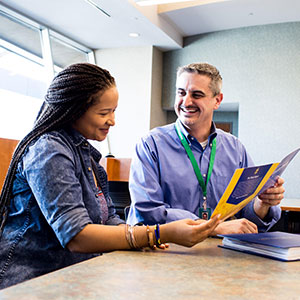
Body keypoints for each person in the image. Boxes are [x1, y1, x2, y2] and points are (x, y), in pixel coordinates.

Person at [0, 63, 221, 289]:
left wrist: (142, 236)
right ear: (75, 110)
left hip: (76, 276)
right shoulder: (48, 150)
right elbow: (77, 236)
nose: (112, 121)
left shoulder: (85, 154)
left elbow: (106, 220)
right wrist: (156, 234)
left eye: (114, 111)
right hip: (32, 282)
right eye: (104, 113)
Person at [127, 62, 285, 234]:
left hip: (224, 254)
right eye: (181, 93)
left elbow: (246, 214)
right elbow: (148, 211)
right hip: (165, 251)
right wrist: (212, 227)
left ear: (217, 101)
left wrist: (262, 203)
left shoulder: (236, 149)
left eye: (197, 95)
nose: (186, 102)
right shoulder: (150, 144)